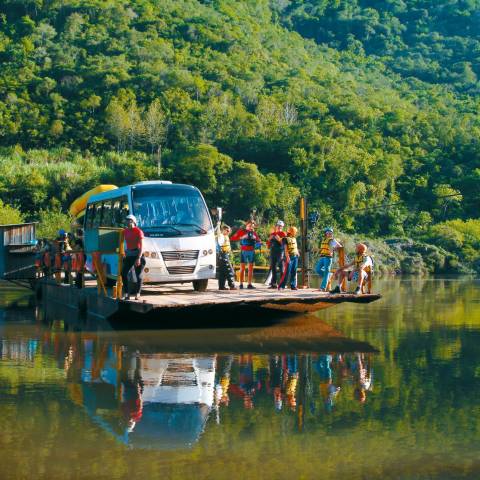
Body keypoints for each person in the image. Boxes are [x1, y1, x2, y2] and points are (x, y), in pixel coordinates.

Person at [230, 220, 261, 289]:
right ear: (246, 226)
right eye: (249, 226)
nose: (251, 228)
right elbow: (232, 238)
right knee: (242, 268)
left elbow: (259, 243)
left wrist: (256, 240)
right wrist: (242, 237)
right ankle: (241, 284)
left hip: (251, 252)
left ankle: (249, 284)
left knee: (250, 269)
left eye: (252, 227)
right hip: (244, 251)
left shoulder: (254, 233)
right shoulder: (241, 231)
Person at [121, 214, 146, 300]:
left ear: (133, 222)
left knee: (138, 275)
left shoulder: (139, 231)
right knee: (123, 273)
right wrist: (123, 252)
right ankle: (127, 293)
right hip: (129, 254)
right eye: (126, 220)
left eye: (128, 220)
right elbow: (122, 242)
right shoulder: (125, 231)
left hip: (137, 254)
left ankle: (138, 293)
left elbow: (142, 247)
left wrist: (138, 258)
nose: (127, 222)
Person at [315, 227, 342, 292]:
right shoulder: (324, 239)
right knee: (317, 269)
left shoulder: (332, 240)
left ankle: (323, 287)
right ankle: (329, 275)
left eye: (331, 233)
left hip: (328, 258)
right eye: (328, 233)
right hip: (322, 257)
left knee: (326, 273)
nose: (329, 234)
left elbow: (339, 246)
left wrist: (334, 249)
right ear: (326, 234)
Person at [266, 220, 286, 288]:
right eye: (278, 226)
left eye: (281, 226)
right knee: (273, 268)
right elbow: (268, 245)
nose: (279, 227)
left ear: (282, 227)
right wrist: (269, 240)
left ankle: (282, 284)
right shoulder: (272, 234)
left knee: (281, 268)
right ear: (276, 226)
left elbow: (285, 244)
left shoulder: (283, 234)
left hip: (280, 252)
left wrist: (279, 239)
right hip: (273, 252)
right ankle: (273, 284)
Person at [216, 224, 236, 290]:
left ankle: (221, 286)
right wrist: (218, 226)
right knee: (230, 270)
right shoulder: (221, 236)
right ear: (223, 230)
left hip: (221, 256)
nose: (228, 232)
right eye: (227, 230)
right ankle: (232, 285)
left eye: (229, 231)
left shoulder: (225, 236)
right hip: (223, 255)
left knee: (222, 272)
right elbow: (219, 237)